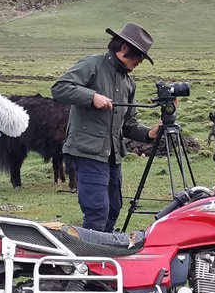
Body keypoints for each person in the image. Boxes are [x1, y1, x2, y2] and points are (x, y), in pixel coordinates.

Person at [52, 23, 160, 232]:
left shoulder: (129, 83)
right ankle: (90, 258)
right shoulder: (92, 65)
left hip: (112, 156)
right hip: (89, 152)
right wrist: (91, 97)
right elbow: (60, 88)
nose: (139, 62)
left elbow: (128, 125)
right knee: (97, 210)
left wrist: (149, 133)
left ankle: (104, 249)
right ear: (124, 49)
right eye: (138, 56)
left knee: (114, 208)